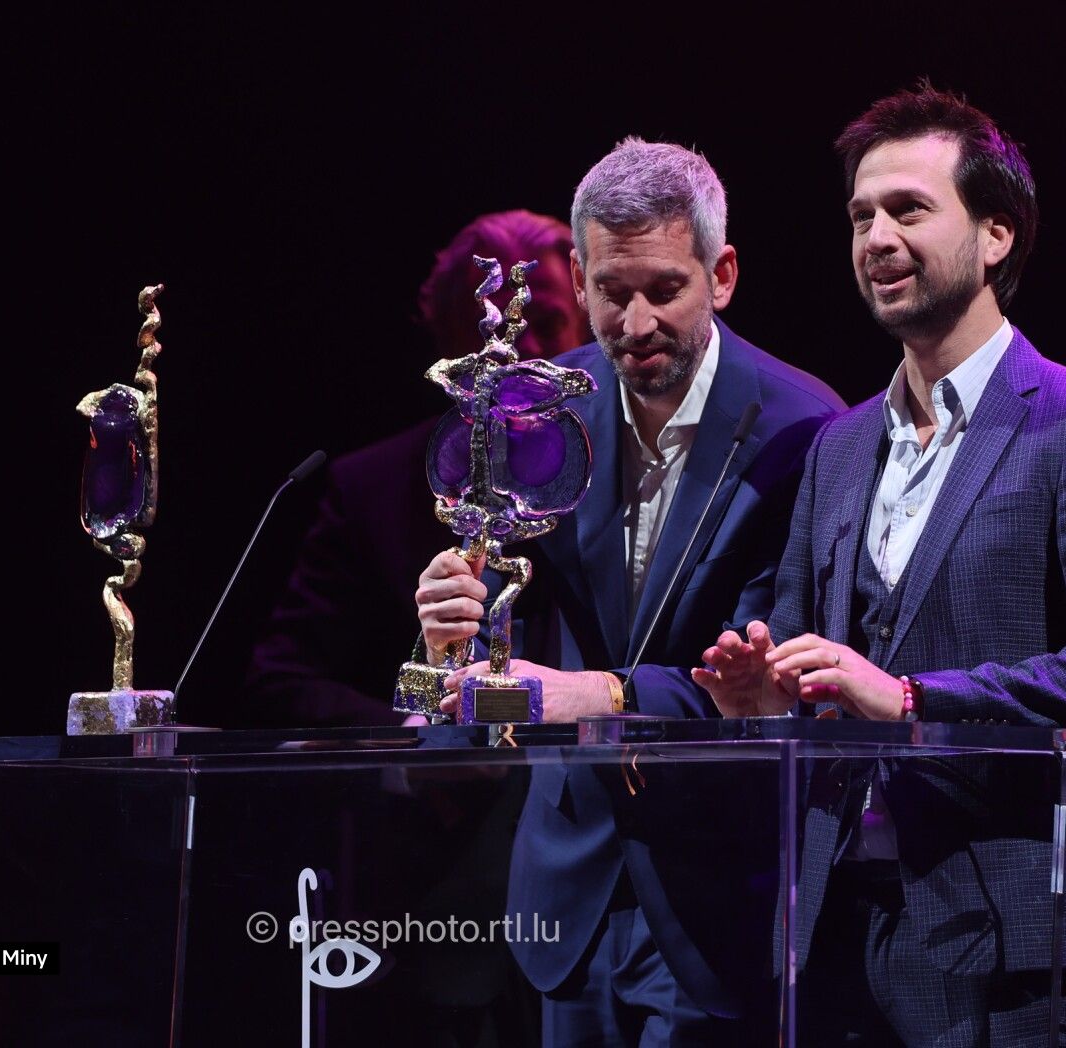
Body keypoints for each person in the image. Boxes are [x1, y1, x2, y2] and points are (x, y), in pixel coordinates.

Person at [692, 83, 1066, 1045]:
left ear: (997, 235)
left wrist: (914, 698)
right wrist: (767, 697)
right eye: (861, 216)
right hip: (830, 933)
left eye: (909, 209)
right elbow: (802, 650)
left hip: (1002, 937)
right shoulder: (838, 446)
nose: (876, 238)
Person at [416, 138, 844, 1043]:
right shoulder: (542, 408)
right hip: (567, 883)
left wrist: (603, 696)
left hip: (716, 889)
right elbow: (504, 615)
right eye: (612, 291)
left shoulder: (806, 428)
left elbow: (780, 668)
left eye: (664, 289)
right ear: (579, 278)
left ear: (721, 276)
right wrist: (448, 633)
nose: (636, 321)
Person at [244, 209, 587, 727]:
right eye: (489, 331)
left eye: (547, 325)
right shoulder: (368, 490)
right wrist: (417, 738)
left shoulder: (628, 470)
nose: (520, 352)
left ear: (586, 328)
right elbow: (281, 681)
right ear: (448, 340)